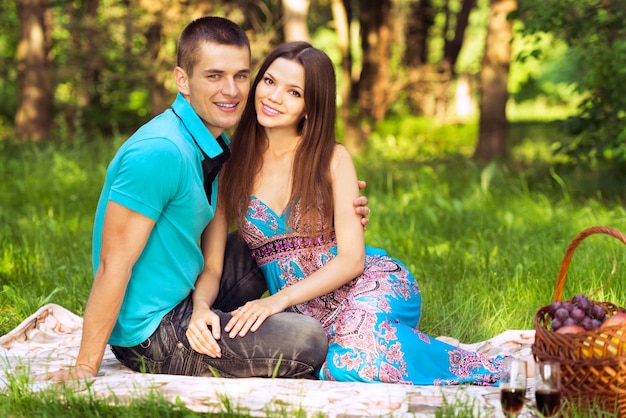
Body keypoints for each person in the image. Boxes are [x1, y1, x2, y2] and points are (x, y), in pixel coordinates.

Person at [44, 17, 370, 382]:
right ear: (182, 79)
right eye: (214, 76)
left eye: (241, 76)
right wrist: (86, 365)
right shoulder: (160, 151)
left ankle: (313, 312)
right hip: (154, 333)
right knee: (308, 339)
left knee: (264, 245)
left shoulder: (215, 146)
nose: (231, 90)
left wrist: (336, 202)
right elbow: (112, 265)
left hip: (189, 291)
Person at [216, 41, 506, 385]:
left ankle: (487, 368)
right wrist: (203, 308)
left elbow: (353, 260)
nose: (274, 97)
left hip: (368, 284)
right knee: (332, 365)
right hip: (306, 313)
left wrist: (274, 302)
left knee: (349, 364)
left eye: (294, 92)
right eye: (269, 81)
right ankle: (395, 343)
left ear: (311, 106)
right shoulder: (230, 165)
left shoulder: (331, 158)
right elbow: (213, 260)